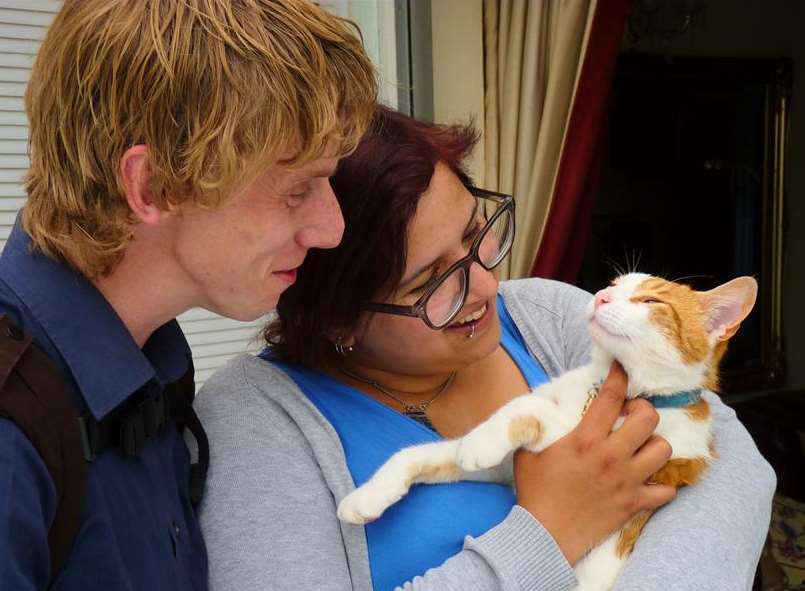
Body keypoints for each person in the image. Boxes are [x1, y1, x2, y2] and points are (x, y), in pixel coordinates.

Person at [195, 106, 776, 590]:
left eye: (477, 234)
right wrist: (546, 533)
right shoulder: (257, 421)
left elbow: (736, 470)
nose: (487, 288)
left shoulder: (543, 315)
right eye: (428, 284)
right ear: (338, 322)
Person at [0, 1, 377, 589]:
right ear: (151, 185)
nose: (332, 229)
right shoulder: (16, 428)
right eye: (297, 188)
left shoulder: (151, 368)